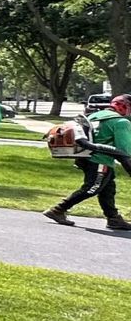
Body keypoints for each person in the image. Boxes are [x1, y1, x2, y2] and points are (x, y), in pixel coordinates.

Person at [46, 94, 131, 230]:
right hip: (100, 161)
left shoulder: (95, 116)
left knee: (108, 189)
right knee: (92, 188)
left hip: (85, 158)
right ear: (125, 107)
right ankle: (58, 209)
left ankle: (113, 218)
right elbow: (124, 151)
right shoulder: (121, 122)